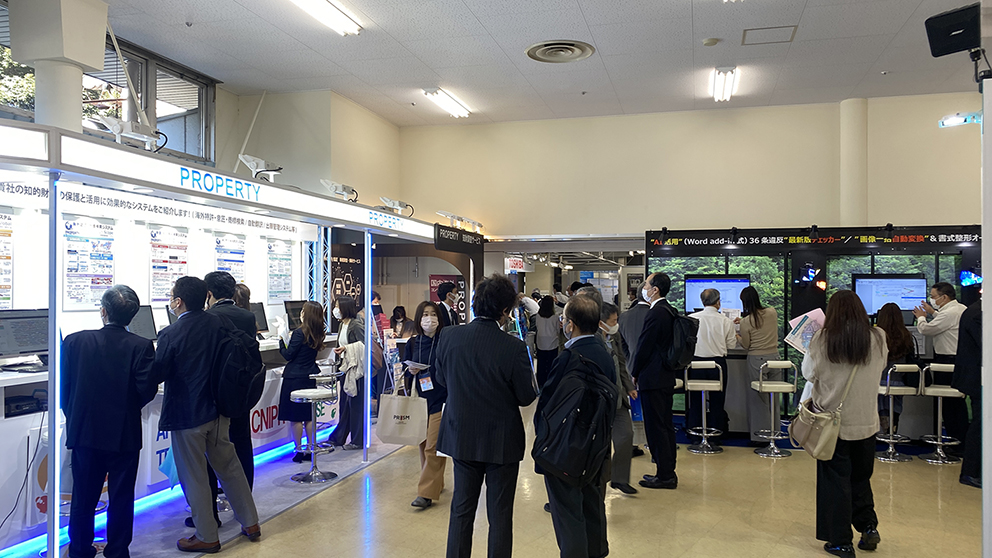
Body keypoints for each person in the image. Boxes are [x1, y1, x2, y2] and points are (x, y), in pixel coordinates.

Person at [153, 276, 260, 552]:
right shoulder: (219, 323)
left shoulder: (170, 333)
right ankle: (251, 522)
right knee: (230, 467)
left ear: (179, 301)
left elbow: (158, 372)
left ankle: (207, 535)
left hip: (187, 414)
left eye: (171, 297)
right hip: (219, 410)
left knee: (195, 476)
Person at [435, 274, 538, 558]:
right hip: (501, 441)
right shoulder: (514, 348)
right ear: (505, 310)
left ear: (474, 303)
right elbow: (526, 396)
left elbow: (441, 379)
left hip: (461, 434)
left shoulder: (449, 336)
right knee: (500, 514)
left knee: (461, 509)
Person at [62, 285, 157, 558]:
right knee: (121, 498)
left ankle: (80, 550)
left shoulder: (74, 341)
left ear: (103, 311)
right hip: (124, 434)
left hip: (85, 431)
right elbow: (146, 390)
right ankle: (117, 551)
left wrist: (74, 415)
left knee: (83, 497)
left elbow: (64, 389)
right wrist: (126, 409)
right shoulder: (141, 346)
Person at [803, 290, 887, 558]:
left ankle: (841, 541)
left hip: (832, 424)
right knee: (861, 478)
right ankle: (868, 527)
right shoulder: (878, 336)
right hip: (867, 422)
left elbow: (809, 374)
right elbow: (881, 367)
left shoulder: (822, 338)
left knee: (836, 481)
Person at [537, 296, 616, 558]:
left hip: (567, 447)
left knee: (568, 514)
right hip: (596, 444)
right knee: (592, 506)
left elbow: (548, 404)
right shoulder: (605, 353)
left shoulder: (569, 357)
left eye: (564, 320)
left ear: (571, 324)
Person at [629, 272, 680, 490]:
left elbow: (644, 346)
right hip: (665, 375)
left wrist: (635, 371)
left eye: (647, 285)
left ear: (655, 289)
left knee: (656, 427)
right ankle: (667, 470)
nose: (644, 288)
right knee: (665, 425)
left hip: (653, 377)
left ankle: (664, 475)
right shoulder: (670, 310)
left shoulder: (656, 313)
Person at [913, 282, 969, 449]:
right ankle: (959, 442)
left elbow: (927, 329)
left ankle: (955, 444)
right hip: (957, 361)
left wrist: (921, 317)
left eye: (933, 296)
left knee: (950, 405)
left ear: (944, 297)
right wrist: (932, 312)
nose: (931, 299)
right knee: (956, 404)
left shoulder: (949, 313)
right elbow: (945, 322)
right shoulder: (960, 309)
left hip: (947, 362)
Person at [405, 301, 448, 509]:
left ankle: (426, 493)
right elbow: (404, 368)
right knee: (423, 445)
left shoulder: (446, 340)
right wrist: (410, 370)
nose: (429, 319)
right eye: (424, 315)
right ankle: (435, 482)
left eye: (433, 314)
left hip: (442, 399)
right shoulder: (413, 343)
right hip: (420, 399)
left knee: (433, 445)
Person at [278, 301, 326, 463]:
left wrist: (281, 340)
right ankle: (311, 448)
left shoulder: (300, 333)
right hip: (309, 377)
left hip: (294, 378)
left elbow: (288, 355)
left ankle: (299, 450)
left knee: (296, 417)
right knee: (308, 416)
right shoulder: (318, 332)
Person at [686, 288, 736, 443]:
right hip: (717, 365)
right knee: (717, 401)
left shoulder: (691, 319)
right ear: (718, 302)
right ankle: (715, 436)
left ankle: (695, 435)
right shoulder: (725, 321)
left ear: (702, 302)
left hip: (695, 364)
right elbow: (732, 345)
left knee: (695, 401)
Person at [600, 301, 638, 495]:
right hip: (602, 400)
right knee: (602, 444)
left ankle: (620, 478)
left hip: (619, 397)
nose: (616, 324)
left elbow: (621, 363)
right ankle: (601, 480)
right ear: (601, 322)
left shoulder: (614, 337)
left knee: (626, 435)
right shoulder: (593, 340)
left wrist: (629, 387)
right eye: (613, 321)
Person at [737, 286, 781, 444]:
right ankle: (775, 432)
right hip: (775, 358)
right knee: (774, 397)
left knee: (758, 399)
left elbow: (746, 345)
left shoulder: (746, 321)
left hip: (756, 360)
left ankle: (759, 436)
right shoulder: (772, 312)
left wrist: (737, 335)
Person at [874, 302, 920, 434]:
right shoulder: (906, 336)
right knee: (895, 405)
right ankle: (893, 428)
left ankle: (883, 429)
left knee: (879, 403)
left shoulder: (876, 336)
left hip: (878, 382)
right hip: (899, 382)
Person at [329, 295, 366, 450]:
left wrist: (347, 348)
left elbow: (364, 345)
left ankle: (358, 440)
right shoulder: (342, 325)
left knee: (356, 405)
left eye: (338, 306)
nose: (335, 309)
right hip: (345, 368)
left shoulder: (355, 325)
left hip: (356, 370)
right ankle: (339, 437)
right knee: (344, 404)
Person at [952, 299, 982, 489]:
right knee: (980, 424)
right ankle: (971, 472)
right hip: (977, 377)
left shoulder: (972, 311)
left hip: (974, 376)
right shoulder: (977, 314)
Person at [534, 295, 561, 388]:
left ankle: (540, 382)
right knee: (551, 364)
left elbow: (537, 327)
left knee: (541, 363)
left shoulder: (538, 316)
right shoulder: (555, 317)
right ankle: (550, 382)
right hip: (552, 342)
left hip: (541, 342)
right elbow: (558, 330)